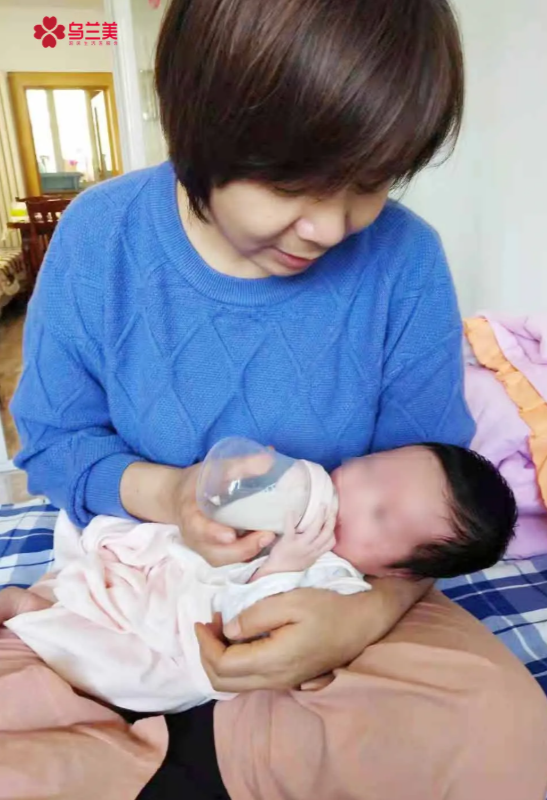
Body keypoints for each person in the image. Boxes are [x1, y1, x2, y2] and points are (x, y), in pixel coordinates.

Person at [8, 0, 547, 796]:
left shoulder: (404, 263)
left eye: (370, 181)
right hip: (137, 574)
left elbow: (429, 498)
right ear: (199, 125)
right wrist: (173, 495)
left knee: (500, 725)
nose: (329, 227)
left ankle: (190, 744)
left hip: (336, 582)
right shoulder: (101, 236)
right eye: (292, 182)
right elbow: (56, 445)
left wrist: (355, 620)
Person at [0, 441, 518, 716]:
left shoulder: (340, 583)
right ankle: (65, 589)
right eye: (370, 467)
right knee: (118, 543)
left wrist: (283, 566)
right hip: (172, 566)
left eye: (379, 513)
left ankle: (34, 611)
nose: (354, 489)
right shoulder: (308, 491)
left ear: (394, 570)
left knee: (134, 674)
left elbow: (249, 626)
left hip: (185, 635)